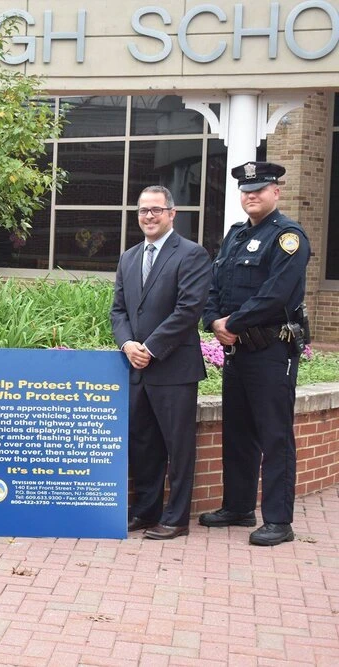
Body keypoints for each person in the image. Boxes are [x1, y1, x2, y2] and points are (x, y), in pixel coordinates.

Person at [200, 161, 311, 547]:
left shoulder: (288, 237)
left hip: (271, 352)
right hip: (238, 353)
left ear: (276, 192)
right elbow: (215, 285)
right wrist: (213, 319)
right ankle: (238, 506)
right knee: (238, 430)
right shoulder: (233, 236)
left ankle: (279, 521)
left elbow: (276, 294)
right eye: (246, 191)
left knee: (274, 434)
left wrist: (232, 323)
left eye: (260, 189)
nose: (251, 196)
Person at [111, 186, 211, 540]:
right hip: (137, 369)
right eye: (142, 210)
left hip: (172, 369)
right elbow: (119, 310)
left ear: (172, 213)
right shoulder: (129, 257)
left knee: (177, 447)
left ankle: (176, 519)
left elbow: (188, 311)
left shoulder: (191, 255)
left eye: (156, 210)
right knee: (143, 445)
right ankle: (146, 512)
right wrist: (126, 344)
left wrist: (149, 348)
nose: (148, 216)